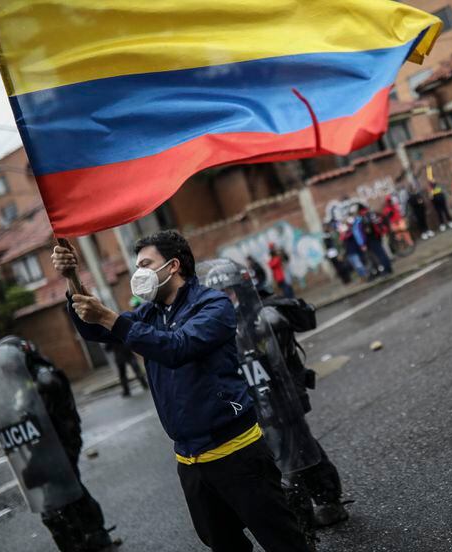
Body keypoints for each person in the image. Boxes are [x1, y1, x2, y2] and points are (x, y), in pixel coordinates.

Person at [52, 230, 312, 552]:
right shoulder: (150, 313)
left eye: (146, 264)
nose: (139, 274)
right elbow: (95, 329)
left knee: (282, 539)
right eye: (137, 266)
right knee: (223, 543)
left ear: (173, 266)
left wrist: (110, 317)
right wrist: (71, 279)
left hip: (237, 453)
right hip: (190, 461)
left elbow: (178, 347)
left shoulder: (213, 304)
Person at [204, 261, 349, 547]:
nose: (227, 299)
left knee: (294, 461)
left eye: (230, 292)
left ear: (241, 290)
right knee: (291, 457)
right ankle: (320, 508)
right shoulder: (218, 325)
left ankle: (311, 520)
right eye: (220, 294)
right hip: (253, 405)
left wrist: (270, 317)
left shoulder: (265, 315)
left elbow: (295, 328)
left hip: (283, 400)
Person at [0, 336, 115, 552]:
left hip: (61, 442)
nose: (7, 368)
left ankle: (85, 538)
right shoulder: (25, 379)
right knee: (70, 489)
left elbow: (48, 411)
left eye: (10, 362)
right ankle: (93, 534)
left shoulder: (44, 376)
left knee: (58, 497)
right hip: (44, 445)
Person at [353, 204, 393, 276]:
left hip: (371, 238)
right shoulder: (371, 213)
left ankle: (386, 269)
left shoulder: (362, 217)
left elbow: (362, 232)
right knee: (382, 252)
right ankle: (389, 268)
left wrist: (363, 243)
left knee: (379, 254)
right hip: (377, 235)